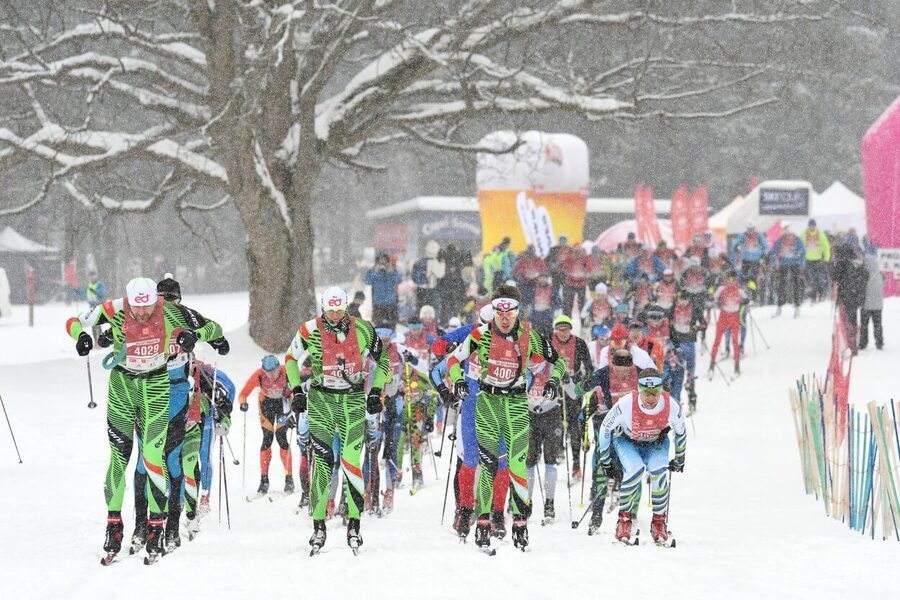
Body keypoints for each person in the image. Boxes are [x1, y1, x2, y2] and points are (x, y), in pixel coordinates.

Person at [67, 277, 222, 564]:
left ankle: (155, 527)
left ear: (156, 300)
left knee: (153, 457)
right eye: (136, 307)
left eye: (148, 306)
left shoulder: (172, 311)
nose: (141, 313)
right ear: (128, 301)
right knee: (119, 456)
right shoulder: (114, 308)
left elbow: (214, 328)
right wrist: (81, 336)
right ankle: (114, 526)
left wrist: (195, 336)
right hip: (123, 388)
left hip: (156, 387)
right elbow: (75, 320)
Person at [446, 284, 567, 552]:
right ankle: (483, 521)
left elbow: (559, 361)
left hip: (515, 404)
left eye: (509, 311)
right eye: (499, 310)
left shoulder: (529, 336)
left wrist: (553, 382)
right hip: (487, 404)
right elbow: (453, 361)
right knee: (487, 465)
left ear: (517, 311)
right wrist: (458, 382)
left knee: (515, 465)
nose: (503, 316)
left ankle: (520, 523)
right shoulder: (480, 335)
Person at [285, 287, 391, 555]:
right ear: (323, 308)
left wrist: (376, 392)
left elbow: (384, 360)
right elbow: (289, 359)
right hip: (321, 401)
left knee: (350, 462)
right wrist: (297, 390)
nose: (334, 315)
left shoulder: (363, 329)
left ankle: (354, 525)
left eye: (339, 310)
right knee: (322, 463)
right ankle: (318, 525)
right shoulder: (310, 328)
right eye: (330, 310)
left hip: (352, 401)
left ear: (345, 307)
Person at [128, 274, 227, 554]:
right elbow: (114, 332)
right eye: (162, 301)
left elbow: (214, 328)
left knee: (159, 461)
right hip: (149, 393)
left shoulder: (182, 315)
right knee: (154, 462)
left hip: (173, 394)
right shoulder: (139, 317)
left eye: (169, 300)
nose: (166, 306)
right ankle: (148, 527)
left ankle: (166, 528)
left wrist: (206, 336)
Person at [431, 305, 512, 539]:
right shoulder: (470, 333)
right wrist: (451, 347)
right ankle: (464, 512)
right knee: (470, 459)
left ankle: (497, 515)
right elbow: (438, 347)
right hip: (472, 405)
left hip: (499, 405)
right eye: (485, 325)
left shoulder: (510, 336)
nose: (489, 330)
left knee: (501, 461)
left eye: (493, 326)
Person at [597, 367, 686, 545]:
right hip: (628, 442)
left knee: (659, 471)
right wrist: (606, 461)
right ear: (639, 390)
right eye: (646, 392)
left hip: (655, 444)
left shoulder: (671, 404)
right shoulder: (626, 403)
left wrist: (680, 458)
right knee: (634, 470)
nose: (651, 398)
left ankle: (659, 522)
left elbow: (681, 431)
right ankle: (624, 522)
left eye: (655, 392)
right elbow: (605, 429)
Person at [239, 355, 295, 496]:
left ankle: (289, 478)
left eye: (274, 372)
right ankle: (264, 480)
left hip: (283, 406)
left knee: (281, 437)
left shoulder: (287, 371)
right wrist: (243, 403)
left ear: (278, 368)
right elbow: (243, 393)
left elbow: (298, 388)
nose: (271, 376)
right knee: (267, 439)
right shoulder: (258, 375)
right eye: (267, 373)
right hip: (266, 406)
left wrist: (295, 407)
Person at [549, 314, 592, 480]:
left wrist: (584, 383)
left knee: (573, 423)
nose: (562, 333)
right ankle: (557, 449)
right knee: (555, 420)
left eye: (565, 330)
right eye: (559, 330)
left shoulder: (579, 343)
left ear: (570, 330)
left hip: (572, 385)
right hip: (553, 385)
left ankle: (576, 463)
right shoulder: (547, 341)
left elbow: (589, 367)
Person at [708, 269, 748, 376]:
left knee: (734, 341)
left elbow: (746, 299)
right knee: (717, 340)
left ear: (736, 279)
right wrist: (712, 298)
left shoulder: (739, 290)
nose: (731, 281)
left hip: (734, 316)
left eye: (733, 279)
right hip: (724, 316)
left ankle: (737, 365)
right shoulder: (722, 288)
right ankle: (711, 364)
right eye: (729, 279)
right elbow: (714, 297)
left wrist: (745, 301)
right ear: (726, 279)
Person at [831, 242, 868, 355]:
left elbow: (834, 276)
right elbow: (866, 276)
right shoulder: (859, 262)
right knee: (853, 319)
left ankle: (850, 345)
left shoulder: (842, 263)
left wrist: (834, 264)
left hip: (845, 296)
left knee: (846, 321)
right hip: (857, 296)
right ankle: (853, 343)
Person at [770, 226, 806, 318]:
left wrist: (802, 265)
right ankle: (779, 307)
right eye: (787, 235)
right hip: (784, 264)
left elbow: (803, 253)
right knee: (781, 285)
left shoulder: (797, 240)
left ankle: (797, 307)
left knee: (796, 285)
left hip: (795, 264)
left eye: (790, 235)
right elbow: (774, 252)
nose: (789, 237)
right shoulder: (780, 240)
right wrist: (774, 263)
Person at [365, 252, 403, 327]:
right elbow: (367, 281)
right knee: (378, 328)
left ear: (388, 262)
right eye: (380, 261)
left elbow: (399, 280)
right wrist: (375, 271)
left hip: (391, 304)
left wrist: (391, 271)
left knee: (391, 327)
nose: (382, 264)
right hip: (378, 304)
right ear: (376, 262)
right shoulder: (373, 271)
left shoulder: (393, 271)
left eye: (384, 261)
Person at [860, 236, 884, 350]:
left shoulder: (864, 269)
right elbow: (884, 279)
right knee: (877, 324)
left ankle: (863, 342)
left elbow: (859, 282)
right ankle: (879, 342)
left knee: (864, 325)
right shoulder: (880, 270)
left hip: (866, 302)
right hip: (878, 303)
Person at [803, 219, 831, 303]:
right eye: (810, 225)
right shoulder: (804, 234)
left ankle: (823, 294)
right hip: (808, 260)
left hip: (818, 260)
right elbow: (799, 244)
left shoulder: (820, 234)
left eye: (813, 225)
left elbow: (826, 247)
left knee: (821, 278)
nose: (811, 227)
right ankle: (812, 295)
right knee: (810, 278)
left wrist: (826, 258)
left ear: (815, 226)